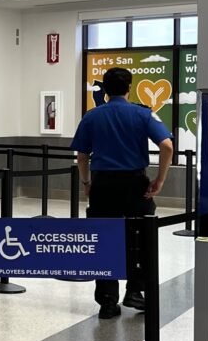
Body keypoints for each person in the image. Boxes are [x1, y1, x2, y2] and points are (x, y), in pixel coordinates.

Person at [70, 67, 174, 319]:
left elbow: (82, 157)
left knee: (102, 240)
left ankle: (107, 300)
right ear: (129, 88)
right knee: (140, 238)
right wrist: (159, 179)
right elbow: (167, 146)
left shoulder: (91, 117)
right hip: (135, 186)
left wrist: (86, 183)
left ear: (104, 89)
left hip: (103, 187)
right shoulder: (142, 114)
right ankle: (135, 292)